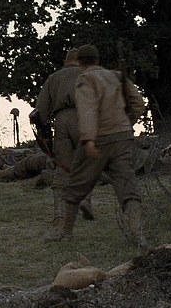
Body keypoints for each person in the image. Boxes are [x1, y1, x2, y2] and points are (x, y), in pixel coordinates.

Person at [44, 44, 147, 247]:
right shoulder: (117, 76)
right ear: (98, 60)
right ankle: (137, 234)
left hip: (98, 140)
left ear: (79, 62)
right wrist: (127, 123)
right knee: (128, 187)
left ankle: (65, 233)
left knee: (75, 185)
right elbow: (138, 103)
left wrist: (89, 139)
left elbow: (88, 109)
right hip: (122, 138)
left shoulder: (85, 79)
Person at [35, 47, 95, 222]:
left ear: (66, 61)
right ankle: (86, 202)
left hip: (61, 120)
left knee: (63, 166)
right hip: (84, 117)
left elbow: (41, 110)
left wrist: (44, 133)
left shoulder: (54, 78)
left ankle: (59, 213)